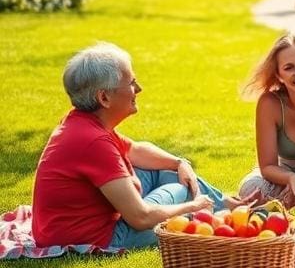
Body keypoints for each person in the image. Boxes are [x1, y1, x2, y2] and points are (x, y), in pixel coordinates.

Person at [31, 43, 249, 249]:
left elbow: (134, 150)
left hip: (64, 227)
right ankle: (227, 214)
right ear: (104, 97)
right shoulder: (93, 142)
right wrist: (193, 206)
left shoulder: (84, 122)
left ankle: (228, 206)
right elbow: (140, 217)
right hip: (99, 237)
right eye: (131, 83)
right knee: (180, 189)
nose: (139, 88)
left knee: (168, 173)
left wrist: (179, 162)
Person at [237, 32, 295, 209]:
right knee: (250, 188)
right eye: (289, 67)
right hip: (283, 173)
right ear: (279, 75)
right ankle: (286, 207)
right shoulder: (269, 103)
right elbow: (268, 166)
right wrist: (292, 179)